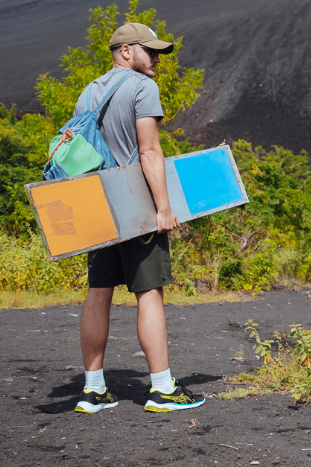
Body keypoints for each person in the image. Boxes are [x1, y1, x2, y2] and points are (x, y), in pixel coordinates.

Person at [73, 22, 205, 414]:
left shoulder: (88, 92)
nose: (157, 60)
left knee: (99, 291)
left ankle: (93, 390)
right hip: (135, 204)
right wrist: (163, 209)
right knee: (148, 291)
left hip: (98, 203)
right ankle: (163, 389)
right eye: (151, 52)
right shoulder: (142, 87)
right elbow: (149, 152)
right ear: (126, 51)